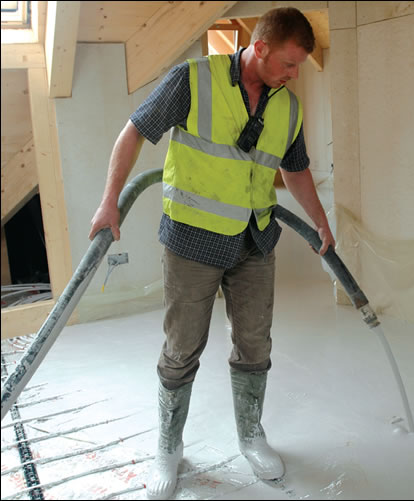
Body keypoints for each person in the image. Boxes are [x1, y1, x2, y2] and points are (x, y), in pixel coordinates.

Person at [88, 7, 335, 500]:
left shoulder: (287, 105)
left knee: (255, 344)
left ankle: (251, 435)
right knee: (182, 347)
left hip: (255, 239)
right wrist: (109, 200)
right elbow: (134, 130)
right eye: (288, 63)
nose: (293, 74)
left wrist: (321, 220)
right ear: (259, 48)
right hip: (193, 239)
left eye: (298, 67)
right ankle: (168, 446)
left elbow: (296, 168)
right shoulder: (192, 80)